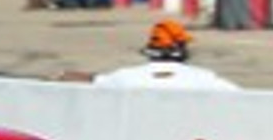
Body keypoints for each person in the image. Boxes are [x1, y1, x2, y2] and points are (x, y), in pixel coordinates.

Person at [92, 20, 240, 91]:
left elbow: (94, 80)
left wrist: (68, 74)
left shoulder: (124, 77)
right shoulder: (204, 79)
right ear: (181, 49)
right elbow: (242, 96)